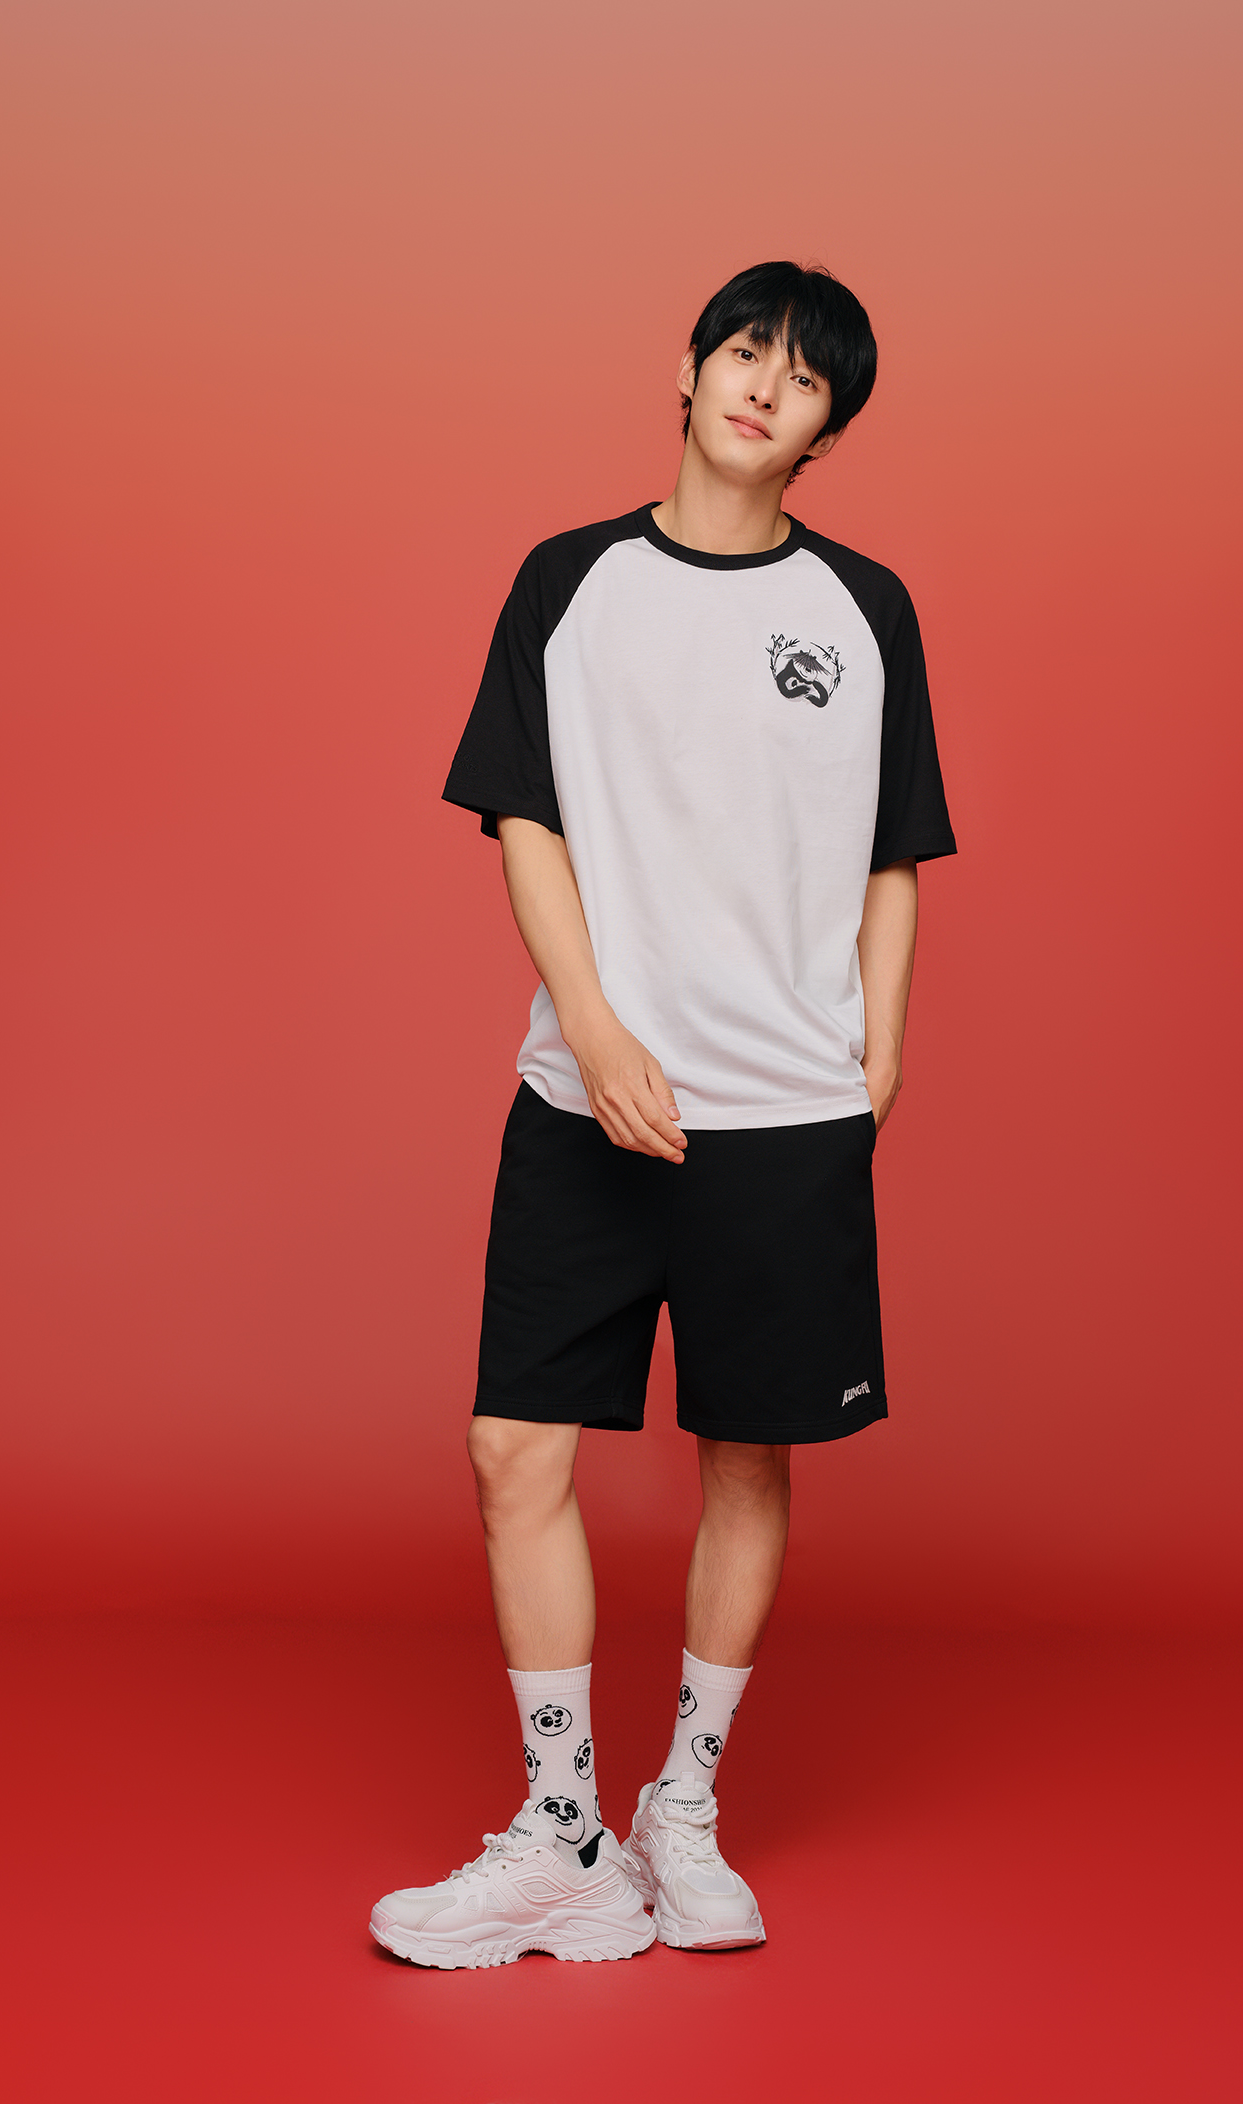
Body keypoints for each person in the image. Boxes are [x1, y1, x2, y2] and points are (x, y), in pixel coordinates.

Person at [370, 261, 956, 1968]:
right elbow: (526, 820)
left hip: (789, 1113)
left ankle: (678, 1811)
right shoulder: (572, 582)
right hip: (588, 1099)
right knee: (513, 1448)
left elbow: (894, 855)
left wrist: (882, 1057)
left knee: (748, 1456)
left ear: (829, 428)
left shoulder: (865, 609)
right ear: (690, 370)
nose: (766, 385)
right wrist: (596, 1023)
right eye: (746, 351)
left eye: (806, 377)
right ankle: (564, 1839)